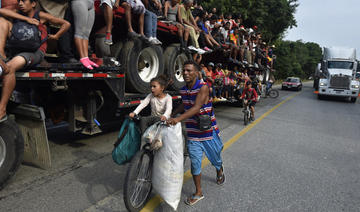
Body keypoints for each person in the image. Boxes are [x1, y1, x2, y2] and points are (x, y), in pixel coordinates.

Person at [0, 0, 70, 120]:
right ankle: (1, 54)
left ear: (33, 4)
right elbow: (1, 10)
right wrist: (27, 20)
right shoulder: (17, 13)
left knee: (10, 68)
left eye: (24, 1)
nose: (21, 3)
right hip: (16, 51)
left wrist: (56, 36)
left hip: (34, 52)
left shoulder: (40, 15)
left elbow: (66, 24)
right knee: (1, 21)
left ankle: (1, 110)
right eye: (19, 1)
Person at [167, 60, 224, 206]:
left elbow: (197, 107)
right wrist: (172, 115)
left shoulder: (203, 88)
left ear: (197, 72)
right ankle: (198, 192)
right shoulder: (184, 90)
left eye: (189, 71)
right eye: (184, 70)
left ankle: (219, 170)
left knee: (216, 158)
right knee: (195, 163)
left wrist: (178, 119)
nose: (185, 73)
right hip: (193, 133)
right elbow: (184, 104)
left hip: (208, 132)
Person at [71, 0, 98, 69]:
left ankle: (86, 57)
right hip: (81, 2)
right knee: (79, 32)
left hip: (91, 3)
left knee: (86, 34)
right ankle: (82, 57)